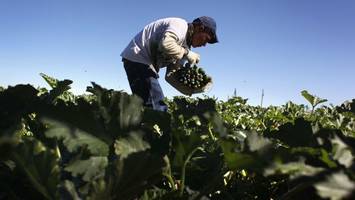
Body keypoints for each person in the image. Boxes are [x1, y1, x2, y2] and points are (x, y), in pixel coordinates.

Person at [121, 16, 218, 112]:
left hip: (144, 63)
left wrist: (194, 90)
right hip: (138, 56)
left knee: (149, 106)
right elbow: (166, 44)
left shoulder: (185, 46)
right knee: (156, 107)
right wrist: (187, 53)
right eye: (206, 39)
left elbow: (171, 76)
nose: (205, 44)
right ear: (200, 28)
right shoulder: (180, 25)